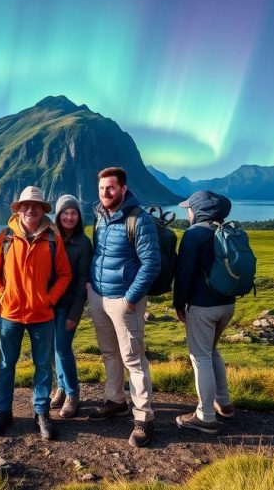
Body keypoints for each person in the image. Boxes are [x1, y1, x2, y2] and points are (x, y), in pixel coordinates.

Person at [0, 186, 72, 440]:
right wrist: (1, 295)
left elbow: (65, 274)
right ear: (18, 209)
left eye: (36, 206)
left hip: (42, 315)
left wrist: (49, 298)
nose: (31, 209)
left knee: (43, 366)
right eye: (26, 205)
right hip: (9, 314)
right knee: (5, 365)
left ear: (42, 210)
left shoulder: (54, 240)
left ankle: (41, 412)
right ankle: (3, 412)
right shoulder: (5, 238)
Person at [87, 167, 160, 448]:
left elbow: (151, 263)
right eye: (102, 188)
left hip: (124, 300)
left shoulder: (139, 220)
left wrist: (131, 297)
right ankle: (116, 399)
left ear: (124, 189)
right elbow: (100, 253)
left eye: (111, 188)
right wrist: (91, 286)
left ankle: (144, 418)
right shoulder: (100, 217)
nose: (106, 193)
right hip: (99, 296)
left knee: (134, 359)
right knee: (109, 352)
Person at [172, 190, 236, 434]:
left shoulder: (194, 233)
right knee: (211, 351)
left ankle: (206, 417)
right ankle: (225, 404)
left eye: (190, 207)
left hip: (203, 306)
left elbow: (184, 273)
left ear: (198, 210)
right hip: (228, 304)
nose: (188, 212)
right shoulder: (228, 229)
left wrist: (179, 304)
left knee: (200, 358)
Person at [49, 194, 91, 418]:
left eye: (73, 212)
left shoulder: (83, 243)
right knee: (54, 349)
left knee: (63, 348)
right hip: (49, 304)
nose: (69, 216)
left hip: (68, 305)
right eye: (65, 212)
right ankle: (61, 389)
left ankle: (73, 395)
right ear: (57, 215)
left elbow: (83, 279)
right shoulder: (51, 239)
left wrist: (75, 312)